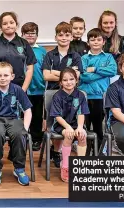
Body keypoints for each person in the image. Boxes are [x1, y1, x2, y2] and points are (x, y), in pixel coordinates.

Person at [42, 22, 83, 166]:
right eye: (60, 35)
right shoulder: (49, 55)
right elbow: (46, 76)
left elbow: (76, 76)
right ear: (55, 37)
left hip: (71, 93)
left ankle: (60, 151)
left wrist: (56, 73)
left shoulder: (76, 56)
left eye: (67, 35)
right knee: (55, 123)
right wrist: (67, 74)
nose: (64, 37)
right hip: (53, 93)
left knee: (69, 121)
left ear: (71, 37)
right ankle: (56, 150)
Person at [78, 28, 117, 151]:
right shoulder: (83, 58)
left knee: (99, 128)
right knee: (85, 128)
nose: (95, 42)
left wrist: (94, 69)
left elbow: (112, 71)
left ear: (104, 41)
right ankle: (85, 153)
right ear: (88, 42)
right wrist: (102, 72)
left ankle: (99, 153)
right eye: (92, 39)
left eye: (99, 39)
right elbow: (83, 76)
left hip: (101, 97)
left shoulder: (109, 57)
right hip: (85, 98)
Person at [49, 68, 89, 182]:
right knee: (69, 135)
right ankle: (65, 166)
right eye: (65, 80)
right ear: (61, 82)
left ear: (76, 80)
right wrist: (68, 127)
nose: (69, 82)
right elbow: (57, 116)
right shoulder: (57, 96)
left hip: (77, 124)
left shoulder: (80, 95)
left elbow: (81, 113)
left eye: (71, 79)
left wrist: (80, 127)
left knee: (82, 135)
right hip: (61, 125)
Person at [0, 12, 36, 92]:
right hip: (0, 88)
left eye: (11, 22)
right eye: (5, 24)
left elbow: (30, 69)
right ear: (0, 27)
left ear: (16, 24)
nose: (8, 25)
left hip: (20, 87)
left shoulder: (24, 43)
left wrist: (23, 90)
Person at [21, 22, 47, 151]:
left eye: (33, 33)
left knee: (37, 116)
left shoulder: (42, 51)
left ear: (37, 35)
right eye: (27, 33)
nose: (30, 36)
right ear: (22, 35)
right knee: (22, 115)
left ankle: (36, 140)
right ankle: (23, 138)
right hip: (22, 89)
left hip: (38, 88)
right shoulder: (19, 48)